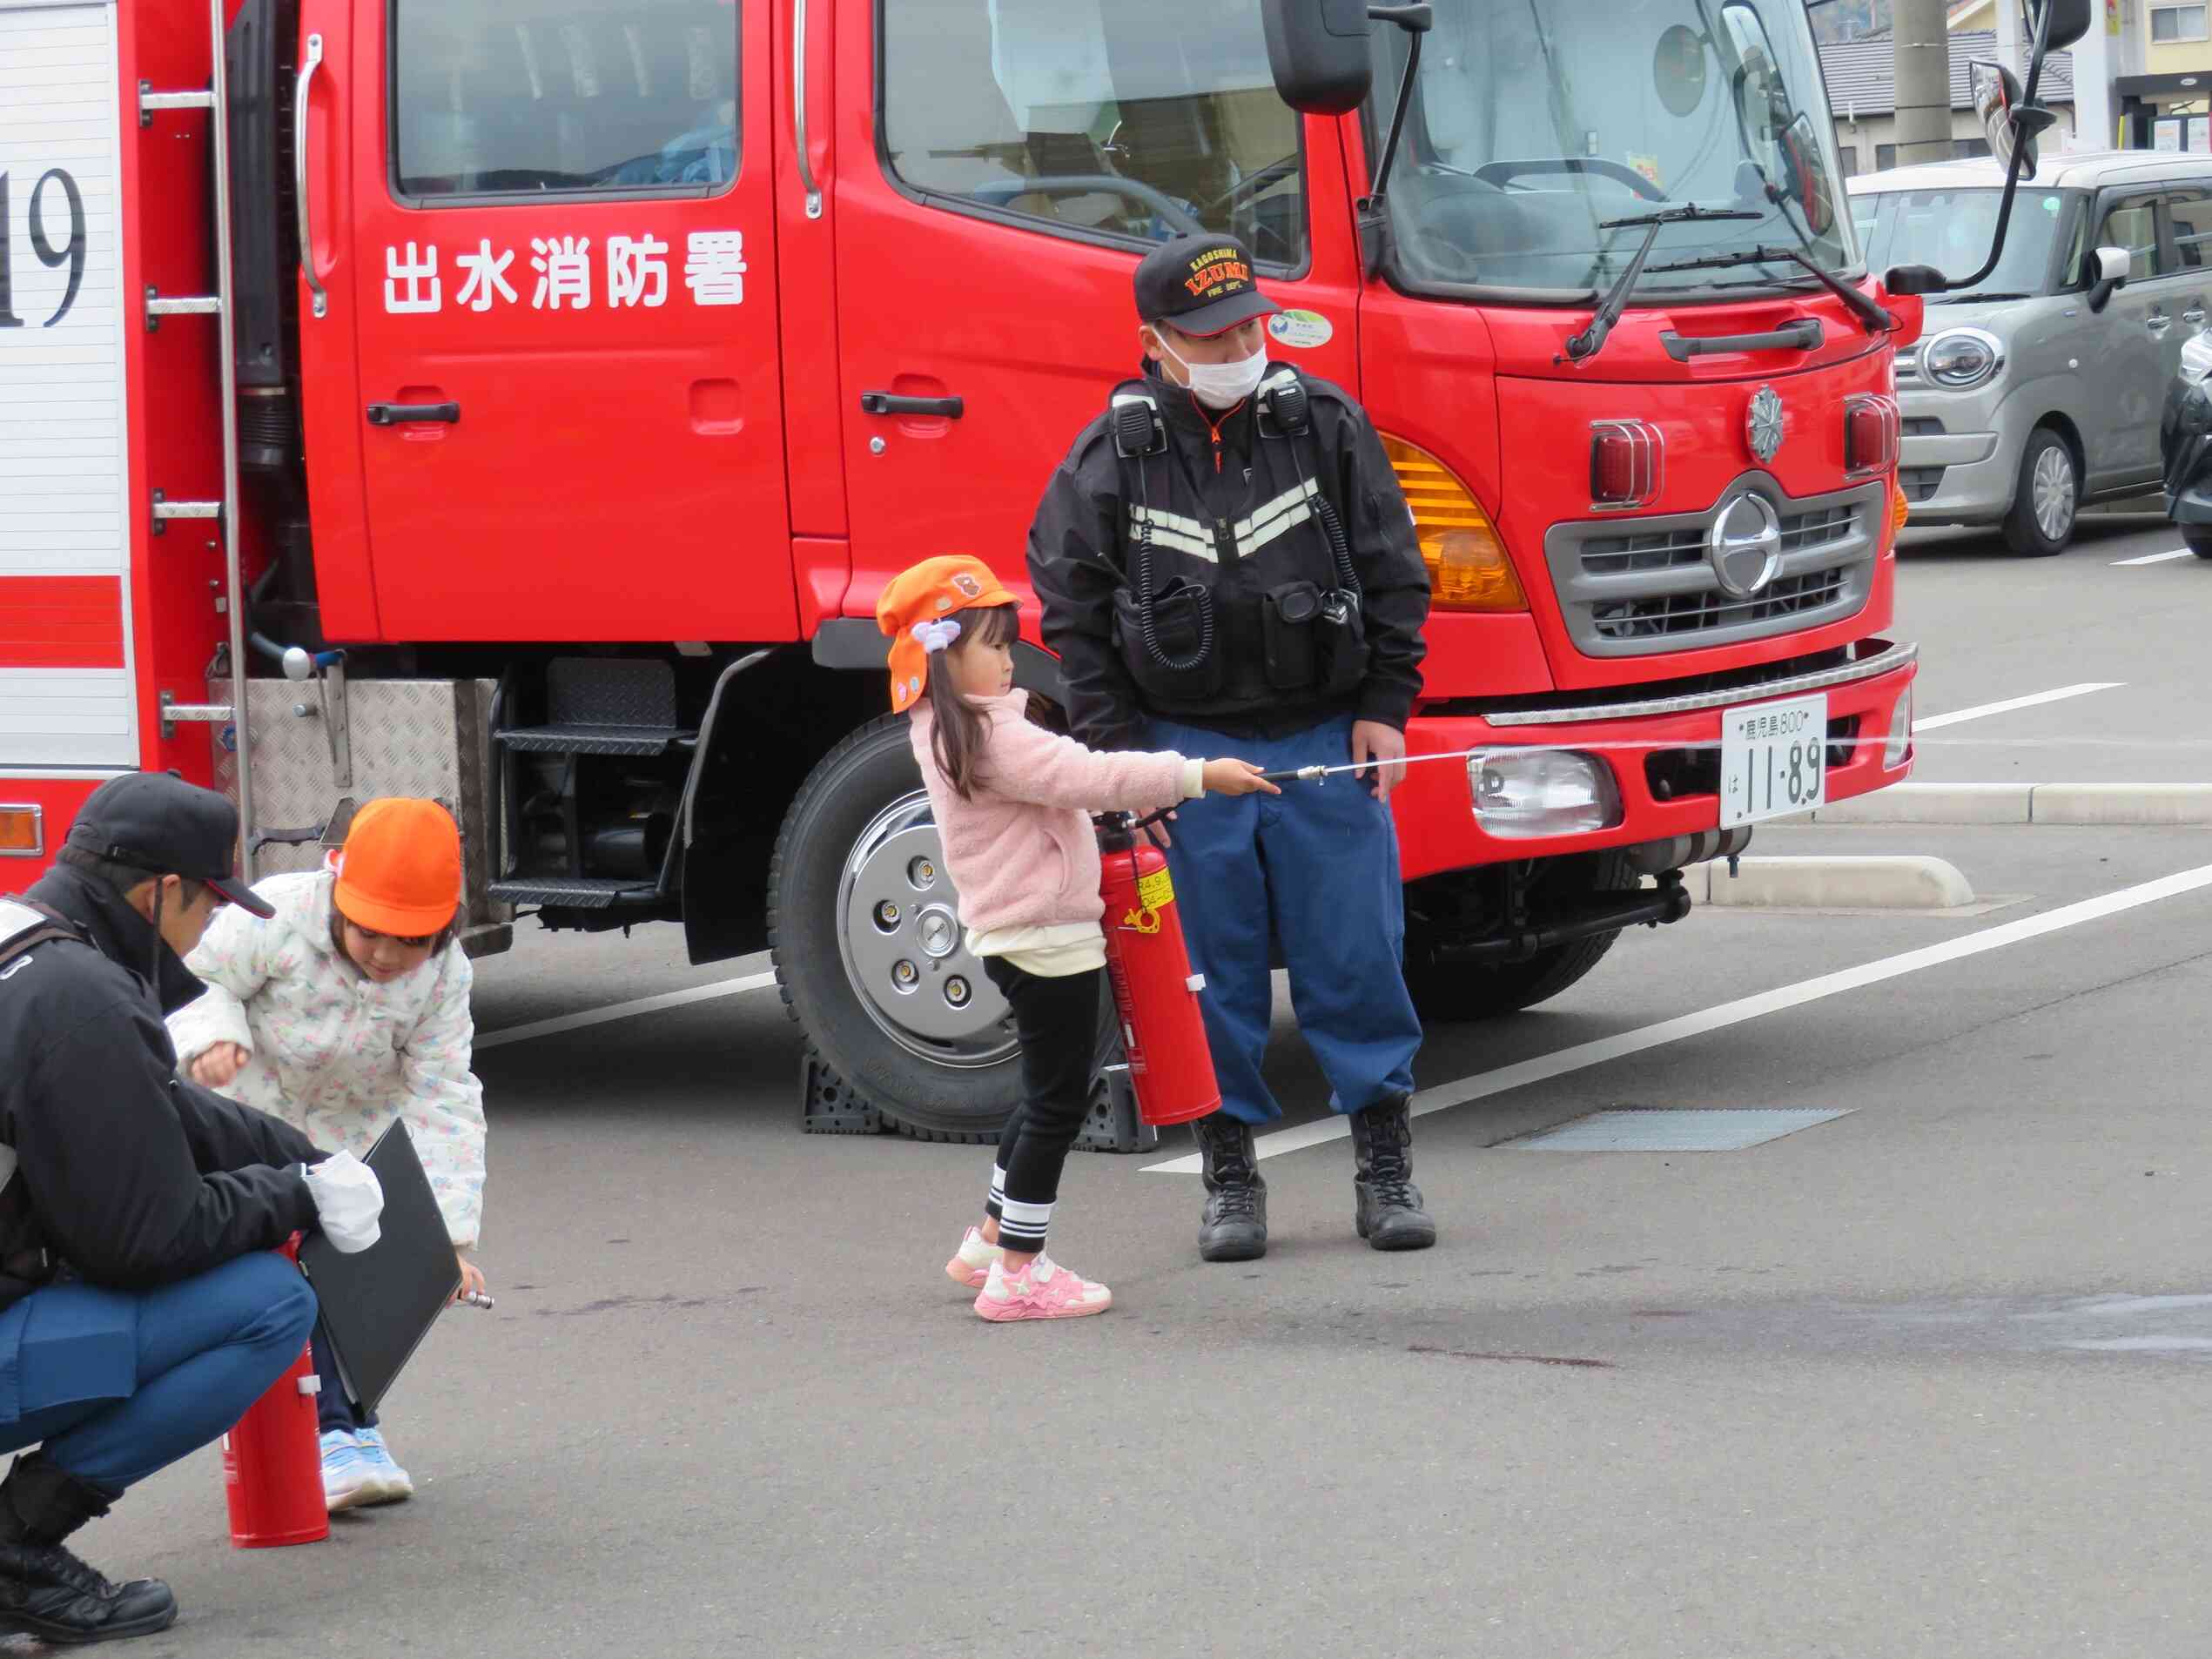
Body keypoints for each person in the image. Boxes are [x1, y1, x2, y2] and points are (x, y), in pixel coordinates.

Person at [1027, 232, 1436, 1263]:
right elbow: (1071, 618)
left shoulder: (1327, 426)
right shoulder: (1109, 458)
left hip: (1321, 737)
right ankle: (1230, 1175)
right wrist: (1125, 762)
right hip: (1185, 752)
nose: (1239, 345)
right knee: (1207, 976)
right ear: (1154, 344)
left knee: (1358, 955)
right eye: (1211, 335)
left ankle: (1384, 1164)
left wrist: (1386, 702)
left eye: (1250, 324)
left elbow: (1395, 571)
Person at [0, 774, 384, 1644]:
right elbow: (146, 1240)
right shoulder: (79, 999)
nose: (211, 930)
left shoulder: (25, 940)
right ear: (158, 890)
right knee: (265, 1305)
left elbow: (162, 1105)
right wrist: (297, 1195)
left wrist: (303, 1156)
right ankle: (14, 1546)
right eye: (208, 904)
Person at [877, 556, 1277, 1320]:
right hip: (1047, 935)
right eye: (991, 645)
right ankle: (1021, 1273)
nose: (1007, 658)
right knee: (1060, 1103)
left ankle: (992, 1237)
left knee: (1044, 1089)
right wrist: (1197, 775)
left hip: (1013, 931)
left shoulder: (947, 728)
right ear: (942, 655)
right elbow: (1089, 776)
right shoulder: (996, 739)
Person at [168, 797, 487, 1512]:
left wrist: (447, 1238)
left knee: (359, 1278)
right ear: (337, 891)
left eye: (411, 941)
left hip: (349, 1140)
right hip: (245, 1122)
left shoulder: (443, 975)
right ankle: (340, 1432)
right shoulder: (275, 915)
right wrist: (212, 1037)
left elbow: (444, 1094)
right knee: (290, 1270)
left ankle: (347, 1429)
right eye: (370, 932)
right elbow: (197, 976)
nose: (385, 956)